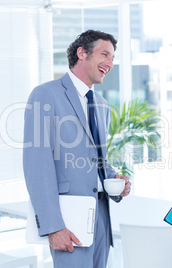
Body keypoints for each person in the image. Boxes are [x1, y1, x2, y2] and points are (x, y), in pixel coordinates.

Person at [23, 30, 131, 268]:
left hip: (101, 218)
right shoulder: (45, 95)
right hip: (67, 220)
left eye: (113, 58)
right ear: (82, 53)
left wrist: (114, 180)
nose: (110, 63)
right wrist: (54, 226)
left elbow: (96, 161)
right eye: (104, 54)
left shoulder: (100, 104)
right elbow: (37, 165)